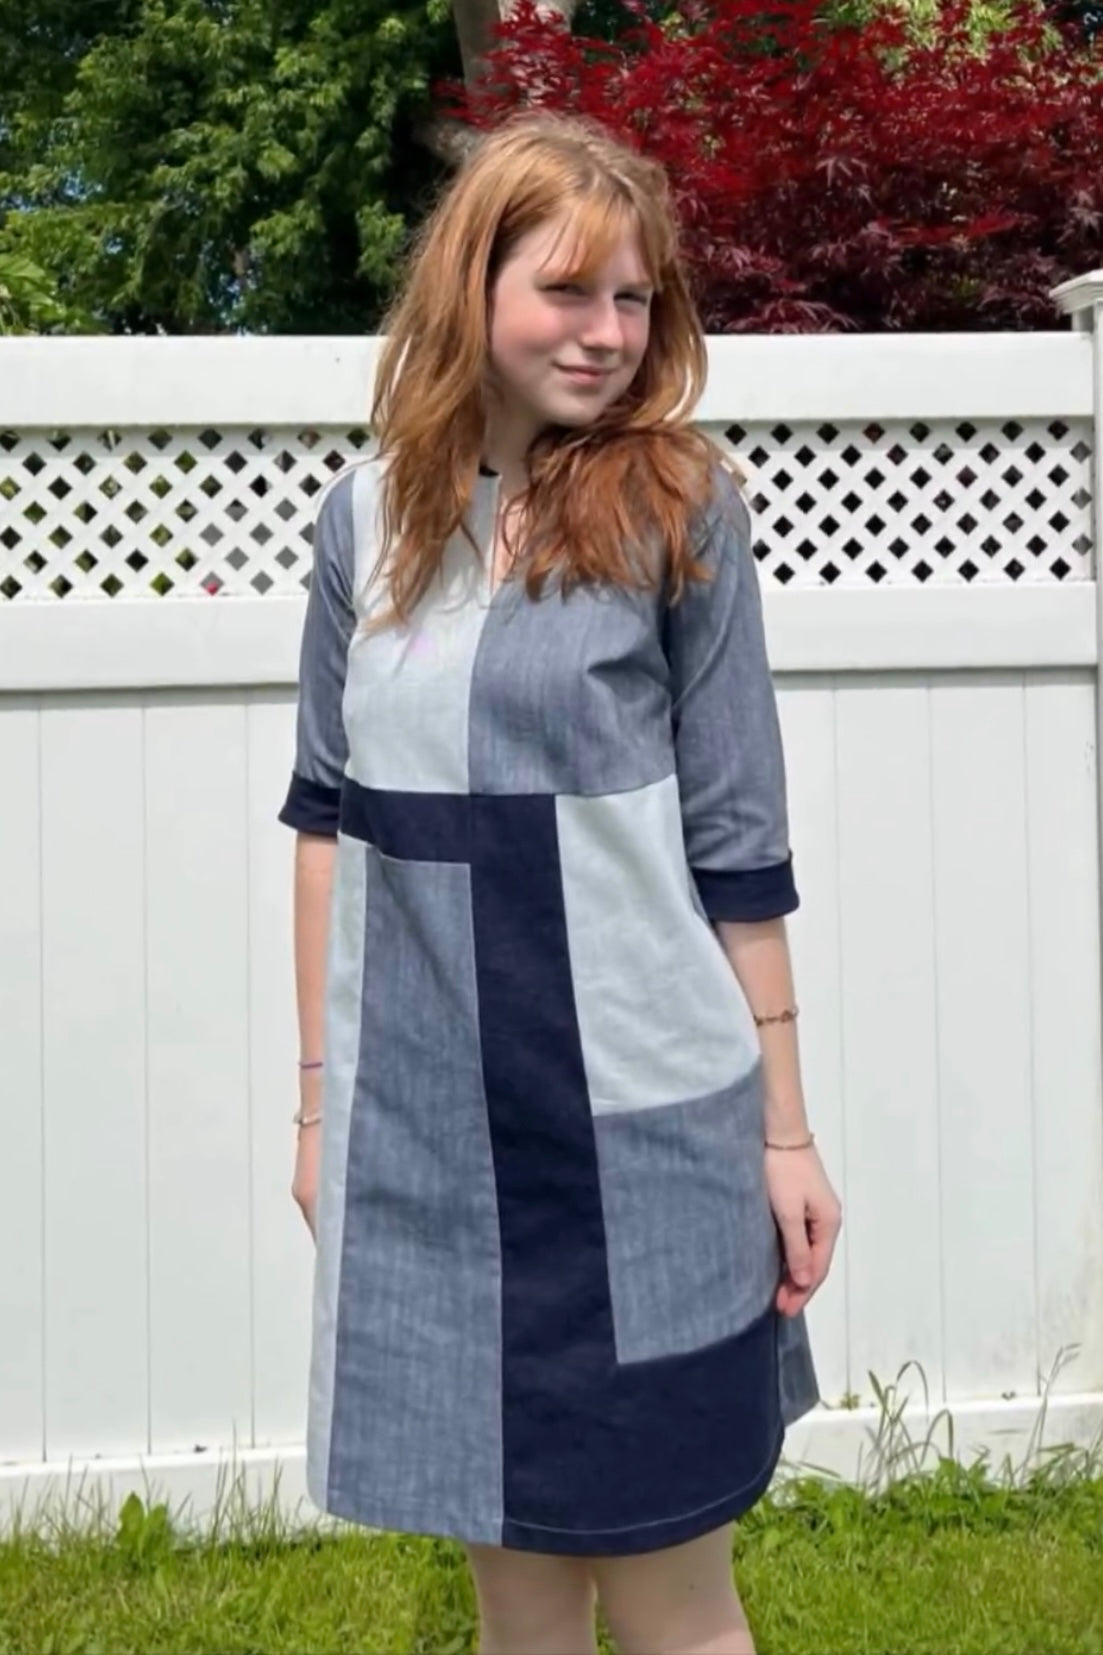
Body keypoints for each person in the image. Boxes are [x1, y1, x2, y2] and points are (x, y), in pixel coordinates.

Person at [279, 108, 842, 1655]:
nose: (606, 333)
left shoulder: (680, 511)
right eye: (569, 290)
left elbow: (740, 843)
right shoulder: (362, 524)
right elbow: (330, 818)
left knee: (674, 1599)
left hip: (650, 1134)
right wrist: (323, 1107)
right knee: (514, 1598)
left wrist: (784, 1135)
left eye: (635, 298)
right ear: (474, 286)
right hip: (439, 1142)